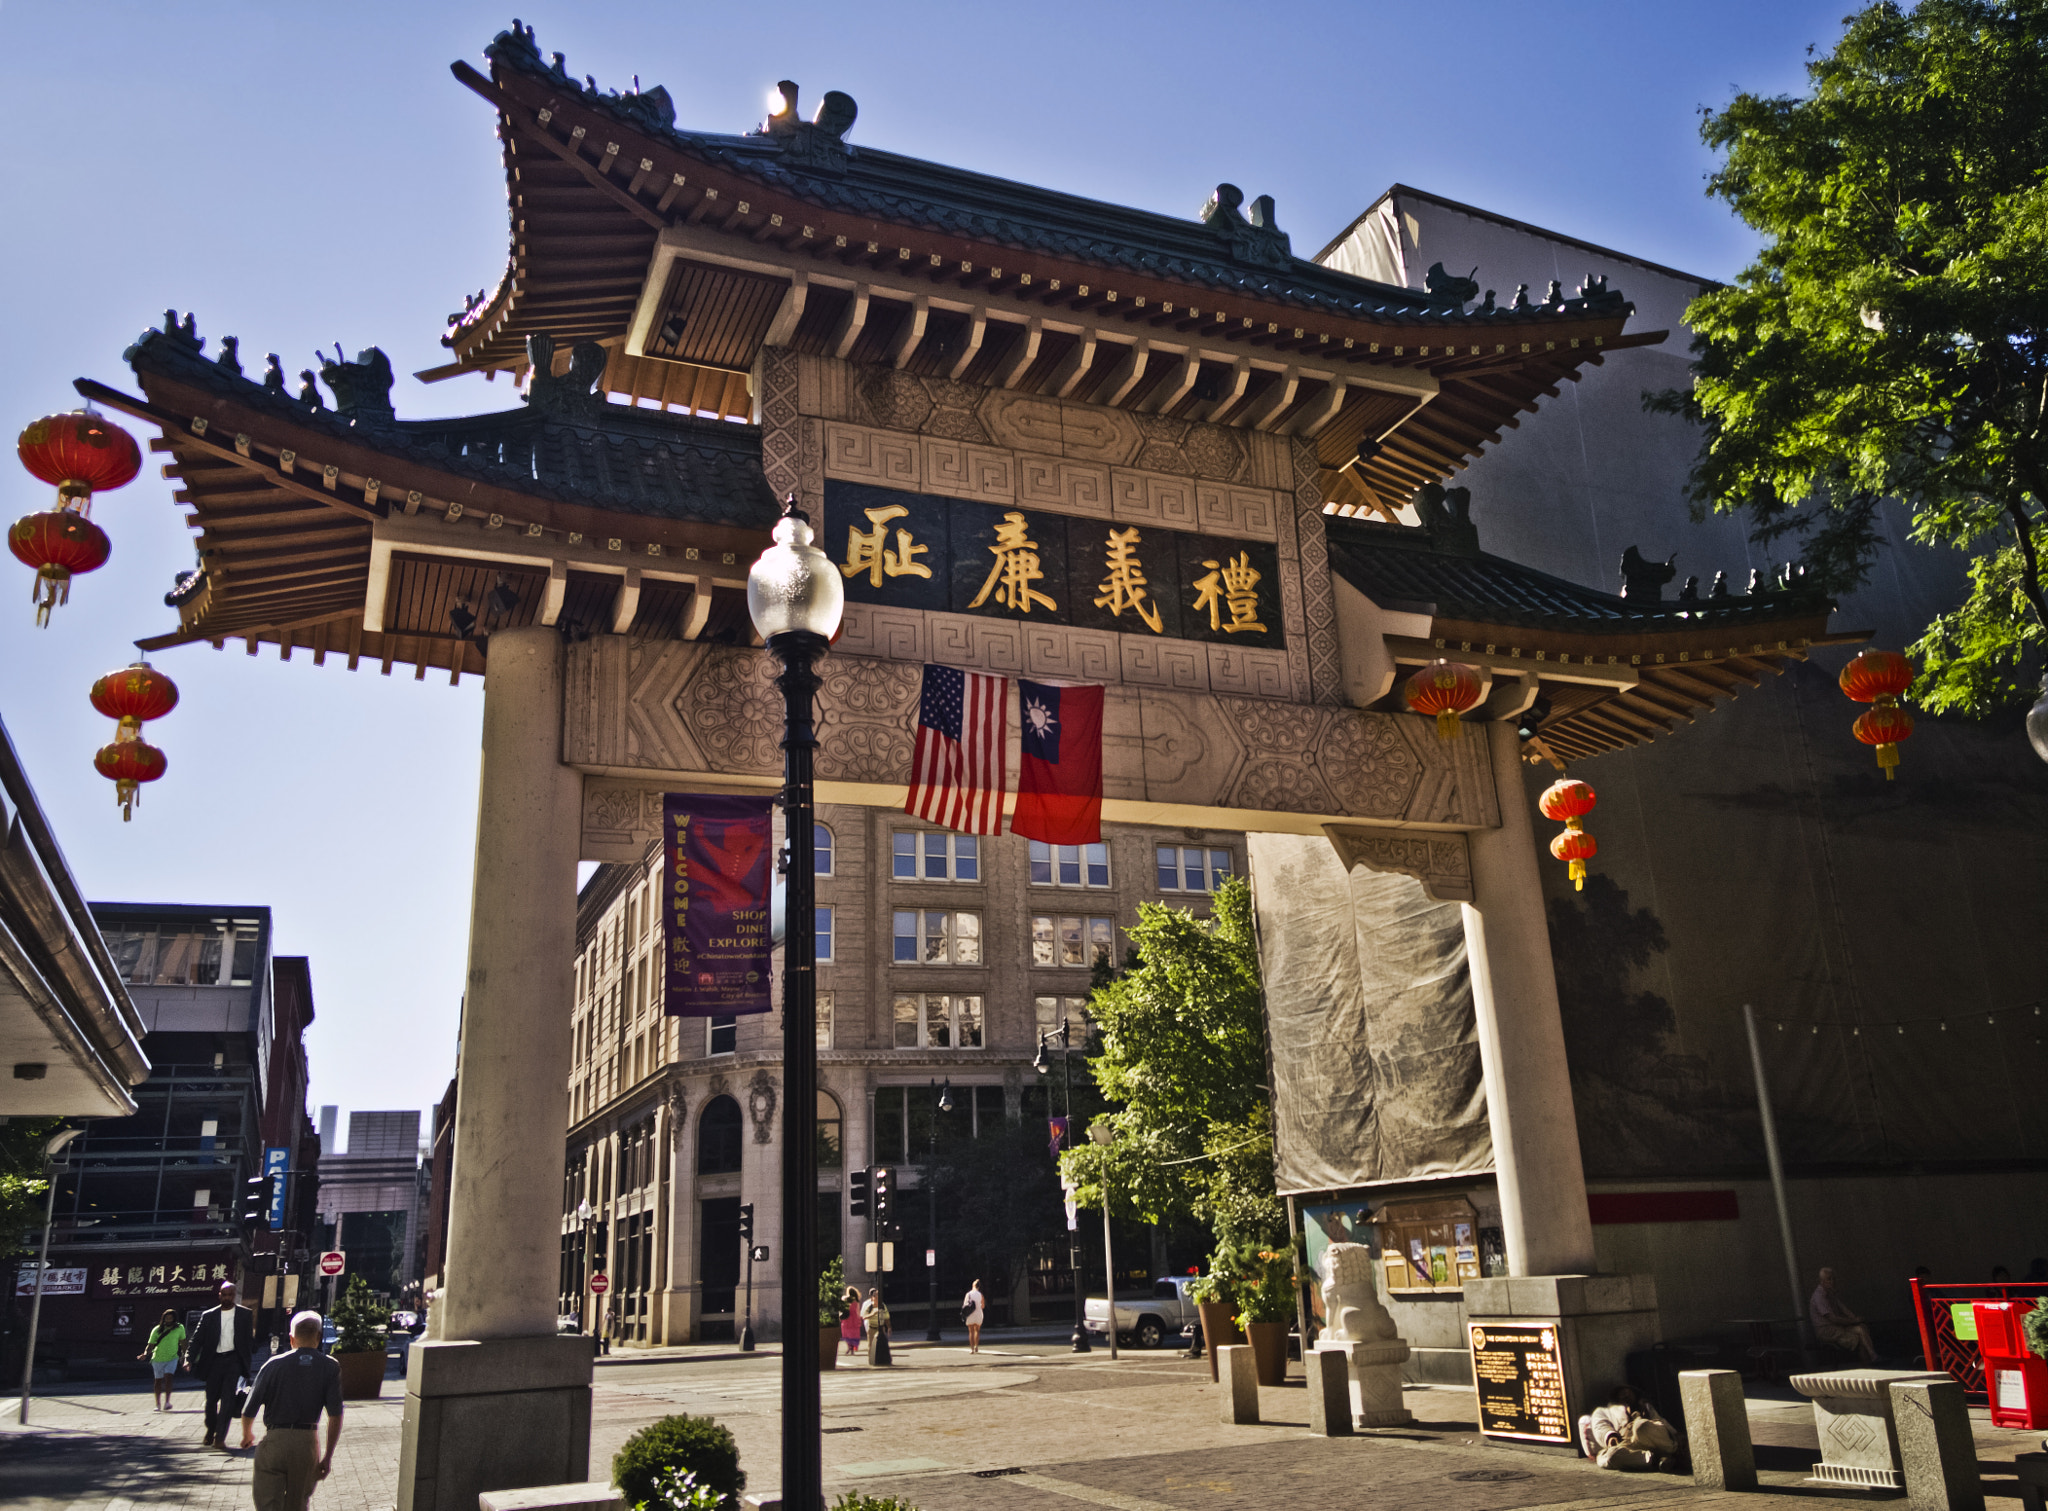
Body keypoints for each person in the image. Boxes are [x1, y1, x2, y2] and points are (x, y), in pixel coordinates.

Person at [239, 1310, 344, 1511]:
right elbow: (335, 1416)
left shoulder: (273, 1365)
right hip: (306, 1442)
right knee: (298, 1503)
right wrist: (327, 1456)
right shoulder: (330, 1367)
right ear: (319, 1337)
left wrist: (247, 1434)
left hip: (275, 1438)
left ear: (291, 1338)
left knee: (267, 1502)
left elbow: (249, 1409)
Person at [187, 1279, 257, 1450]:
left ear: (235, 1295)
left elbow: (249, 1340)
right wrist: (188, 1357)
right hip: (214, 1361)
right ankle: (211, 1428)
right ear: (219, 1295)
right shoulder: (209, 1316)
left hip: (233, 1361)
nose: (227, 1298)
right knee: (211, 1400)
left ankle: (220, 1437)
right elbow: (197, 1339)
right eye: (224, 1295)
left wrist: (248, 1359)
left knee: (228, 1401)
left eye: (230, 1295)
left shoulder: (245, 1315)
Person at [1810, 1267, 1877, 1363]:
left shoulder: (1830, 1293)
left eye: (1833, 1278)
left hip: (1836, 1327)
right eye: (1829, 1279)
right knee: (1859, 1339)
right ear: (1822, 1281)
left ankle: (1873, 1356)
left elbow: (1843, 1308)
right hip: (1826, 1330)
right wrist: (1854, 1321)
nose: (1832, 1281)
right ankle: (1868, 1365)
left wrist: (1855, 1318)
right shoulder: (1819, 1297)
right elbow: (1833, 1319)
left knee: (1861, 1328)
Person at [139, 1308, 185, 1411]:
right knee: (158, 1380)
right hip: (158, 1358)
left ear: (174, 1319)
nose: (168, 1320)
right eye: (166, 1318)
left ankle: (167, 1402)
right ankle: (157, 1403)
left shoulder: (179, 1328)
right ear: (163, 1319)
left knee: (169, 1377)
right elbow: (150, 1345)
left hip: (172, 1357)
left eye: (170, 1318)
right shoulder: (157, 1329)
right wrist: (145, 1354)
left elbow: (183, 1342)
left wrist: (185, 1355)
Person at [861, 1288, 891, 1366]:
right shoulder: (870, 1306)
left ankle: (881, 1358)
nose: (877, 1298)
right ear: (872, 1297)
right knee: (871, 1345)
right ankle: (871, 1360)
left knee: (882, 1343)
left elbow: (887, 1317)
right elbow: (864, 1316)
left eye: (878, 1296)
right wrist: (873, 1314)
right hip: (872, 1328)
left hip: (881, 1328)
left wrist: (889, 1327)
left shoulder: (883, 1306)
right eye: (875, 1296)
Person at [961, 1279, 986, 1355]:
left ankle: (971, 1348)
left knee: (971, 1331)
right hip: (978, 1313)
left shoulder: (968, 1294)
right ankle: (976, 1346)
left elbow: (965, 1305)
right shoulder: (981, 1295)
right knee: (977, 1331)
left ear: (973, 1285)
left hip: (970, 1314)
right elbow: (983, 1306)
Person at [838, 1287, 862, 1357]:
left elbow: (842, 1305)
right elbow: (858, 1311)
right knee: (853, 1334)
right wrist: (859, 1319)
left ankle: (849, 1347)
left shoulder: (845, 1299)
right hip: (854, 1318)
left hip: (847, 1318)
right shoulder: (856, 1301)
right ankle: (852, 1348)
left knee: (846, 1333)